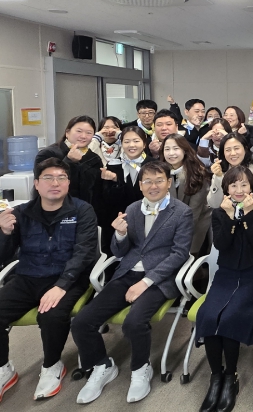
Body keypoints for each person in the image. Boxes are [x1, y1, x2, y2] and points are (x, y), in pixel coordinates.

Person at [71, 160, 193, 404]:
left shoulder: (181, 212)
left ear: (169, 183)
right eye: (148, 181)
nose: (153, 186)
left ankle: (140, 368)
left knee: (134, 322)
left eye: (159, 180)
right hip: (127, 273)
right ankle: (102, 365)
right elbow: (120, 251)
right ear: (140, 185)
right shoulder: (133, 208)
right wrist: (120, 234)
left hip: (159, 278)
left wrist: (146, 282)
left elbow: (179, 254)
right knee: (82, 322)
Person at [0, 158, 98, 401]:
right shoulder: (21, 213)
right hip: (27, 276)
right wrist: (4, 233)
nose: (55, 183)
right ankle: (4, 368)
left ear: (68, 183)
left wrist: (61, 285)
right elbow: (4, 256)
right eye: (48, 178)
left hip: (68, 277)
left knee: (51, 315)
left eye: (61, 178)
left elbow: (84, 252)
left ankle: (52, 365)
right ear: (36, 183)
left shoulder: (82, 210)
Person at [197, 166, 253, 412]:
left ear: (252, 187)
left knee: (230, 316)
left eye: (244, 185)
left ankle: (231, 376)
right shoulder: (220, 213)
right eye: (233, 185)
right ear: (226, 188)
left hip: (252, 276)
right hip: (226, 275)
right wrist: (229, 217)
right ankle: (215, 377)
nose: (239, 190)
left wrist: (248, 215)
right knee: (208, 315)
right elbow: (221, 244)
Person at [98, 127, 155, 254]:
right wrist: (115, 181)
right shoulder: (113, 165)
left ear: (144, 143)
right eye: (127, 141)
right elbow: (107, 199)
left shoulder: (153, 165)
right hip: (119, 219)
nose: (131, 145)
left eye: (136, 141)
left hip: (147, 219)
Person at [161, 133, 212, 255]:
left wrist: (177, 232)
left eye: (176, 148)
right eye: (167, 149)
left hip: (195, 223)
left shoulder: (198, 173)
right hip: (168, 226)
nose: (171, 153)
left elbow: (194, 211)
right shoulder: (160, 171)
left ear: (184, 150)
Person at [35, 115, 103, 204]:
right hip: (55, 207)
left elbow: (98, 191)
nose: (83, 136)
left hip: (85, 209)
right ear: (67, 133)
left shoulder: (94, 158)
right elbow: (44, 183)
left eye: (89, 133)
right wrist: (69, 161)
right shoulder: (48, 153)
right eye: (79, 131)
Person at [209, 133, 253, 207]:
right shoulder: (220, 172)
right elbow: (214, 205)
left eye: (236, 148)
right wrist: (219, 177)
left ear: (245, 149)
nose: (233, 153)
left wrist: (236, 208)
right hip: (224, 214)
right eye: (228, 150)